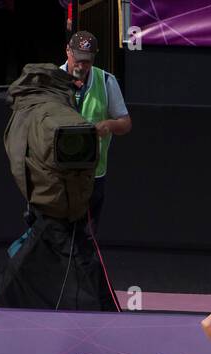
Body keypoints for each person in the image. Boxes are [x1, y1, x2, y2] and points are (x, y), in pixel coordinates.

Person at [59, 30, 130, 237]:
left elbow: (125, 123)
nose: (82, 66)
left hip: (93, 174)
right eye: (78, 60)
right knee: (56, 235)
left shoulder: (106, 81)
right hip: (56, 173)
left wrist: (109, 125)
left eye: (87, 62)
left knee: (85, 238)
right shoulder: (51, 79)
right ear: (68, 52)